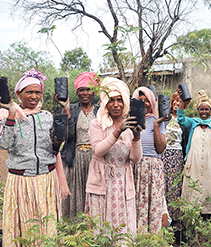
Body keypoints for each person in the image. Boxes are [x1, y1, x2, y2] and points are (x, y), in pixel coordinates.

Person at [0, 69, 69, 246]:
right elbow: (3, 144)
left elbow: (55, 149)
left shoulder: (48, 117)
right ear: (18, 94)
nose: (34, 96)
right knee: (23, 228)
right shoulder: (6, 117)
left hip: (46, 181)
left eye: (37, 92)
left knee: (46, 228)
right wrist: (11, 113)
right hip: (21, 182)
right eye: (29, 92)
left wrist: (57, 142)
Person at [86, 77, 142, 234]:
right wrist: (118, 131)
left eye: (120, 100)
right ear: (105, 102)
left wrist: (136, 137)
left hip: (123, 184)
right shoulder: (97, 124)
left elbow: (136, 159)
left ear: (125, 102)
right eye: (111, 100)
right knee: (101, 230)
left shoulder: (131, 123)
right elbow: (98, 150)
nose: (116, 104)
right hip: (102, 183)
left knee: (122, 230)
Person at [58, 71, 100, 219]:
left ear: (94, 91)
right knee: (75, 197)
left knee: (93, 196)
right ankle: (74, 232)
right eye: (81, 89)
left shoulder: (100, 111)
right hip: (74, 158)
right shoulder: (72, 109)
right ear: (76, 92)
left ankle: (91, 231)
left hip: (95, 159)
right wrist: (67, 109)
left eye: (89, 89)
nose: (85, 93)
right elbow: (68, 136)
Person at [176, 90, 211, 217]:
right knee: (193, 189)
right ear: (198, 110)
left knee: (209, 189)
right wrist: (182, 103)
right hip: (194, 161)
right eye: (201, 109)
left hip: (210, 162)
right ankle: (192, 219)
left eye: (207, 109)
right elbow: (180, 119)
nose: (204, 112)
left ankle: (209, 217)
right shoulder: (193, 123)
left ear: (210, 111)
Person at [131, 87, 169, 232]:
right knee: (137, 203)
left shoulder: (157, 121)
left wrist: (156, 125)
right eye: (141, 101)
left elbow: (160, 148)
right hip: (135, 166)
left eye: (147, 100)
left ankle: (153, 237)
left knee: (154, 203)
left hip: (153, 167)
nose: (145, 103)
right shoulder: (131, 121)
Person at [162, 92, 185, 223]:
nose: (177, 103)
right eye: (175, 100)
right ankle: (165, 221)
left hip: (177, 157)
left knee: (176, 189)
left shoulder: (183, 120)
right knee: (164, 187)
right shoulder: (165, 117)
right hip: (164, 155)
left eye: (180, 101)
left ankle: (176, 224)